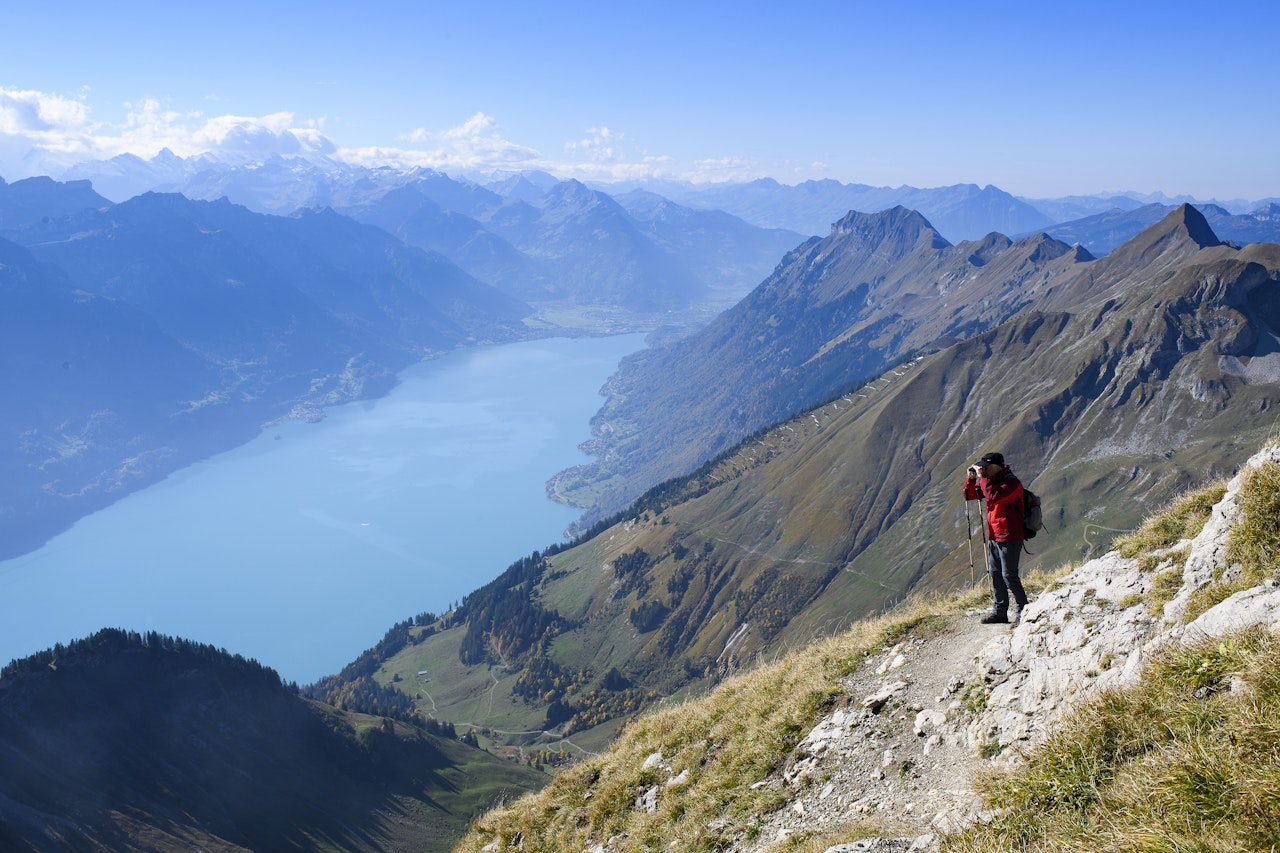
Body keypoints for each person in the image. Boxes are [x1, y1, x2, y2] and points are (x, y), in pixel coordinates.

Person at [964, 451, 1028, 624]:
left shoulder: (1011, 483)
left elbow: (993, 496)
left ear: (995, 467)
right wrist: (971, 480)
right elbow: (970, 495)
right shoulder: (993, 482)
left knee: (1009, 575)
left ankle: (1024, 609)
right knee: (996, 573)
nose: (983, 470)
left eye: (985, 467)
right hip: (995, 534)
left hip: (1010, 535)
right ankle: (1000, 611)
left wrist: (981, 477)